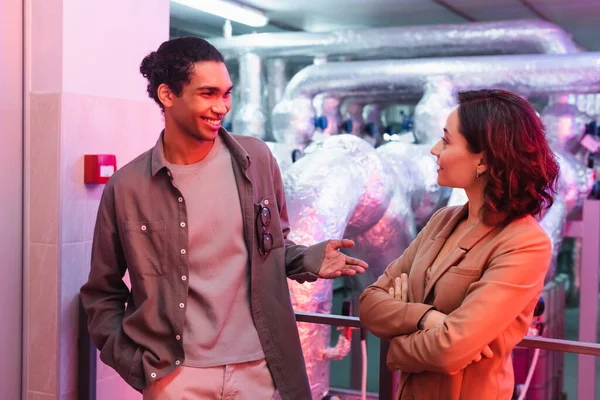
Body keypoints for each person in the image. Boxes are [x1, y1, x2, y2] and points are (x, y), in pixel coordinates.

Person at [79, 36, 368, 400]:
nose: (222, 107)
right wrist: (136, 365)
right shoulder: (128, 187)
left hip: (257, 369)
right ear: (167, 95)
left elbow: (271, 249)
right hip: (176, 377)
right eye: (208, 93)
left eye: (226, 94)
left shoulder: (256, 159)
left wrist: (309, 257)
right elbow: (101, 292)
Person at [359, 89, 559, 400]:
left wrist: (396, 345)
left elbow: (449, 350)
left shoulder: (524, 243)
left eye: (447, 141)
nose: (434, 150)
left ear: (485, 160)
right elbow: (370, 302)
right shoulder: (443, 220)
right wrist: (425, 318)